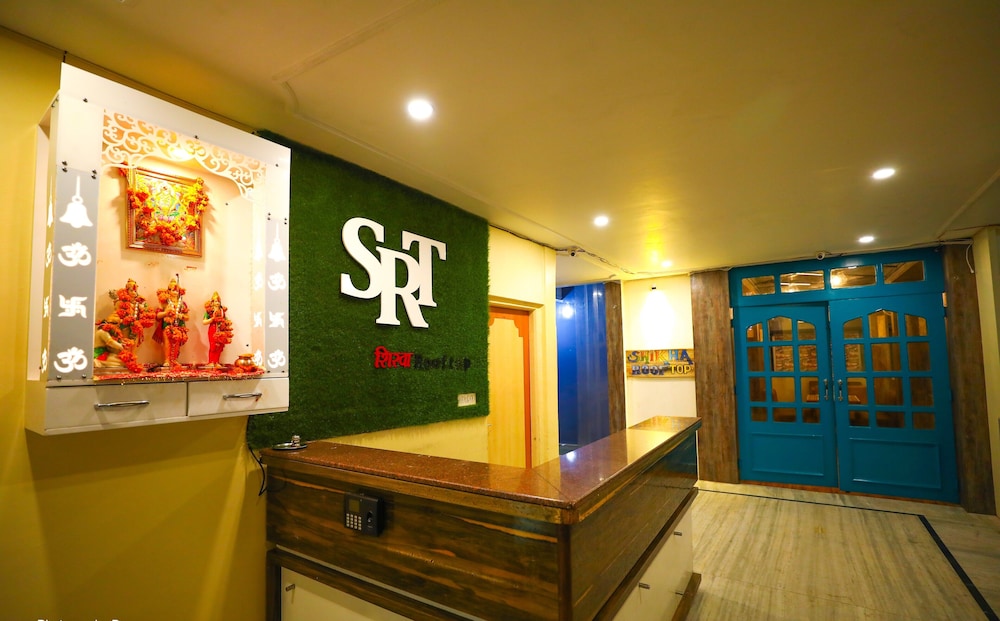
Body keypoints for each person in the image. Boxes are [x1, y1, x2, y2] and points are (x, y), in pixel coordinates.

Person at [153, 277, 189, 368]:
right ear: (168, 291)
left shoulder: (182, 304)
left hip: (178, 326)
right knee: (167, 343)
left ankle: (174, 360)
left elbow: (187, 317)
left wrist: (181, 316)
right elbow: (157, 316)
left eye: (177, 290)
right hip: (167, 325)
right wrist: (166, 313)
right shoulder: (164, 302)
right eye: (173, 290)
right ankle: (167, 360)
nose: (175, 292)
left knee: (176, 344)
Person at [202, 291, 233, 367]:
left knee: (219, 346)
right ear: (212, 302)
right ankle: (211, 362)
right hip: (213, 329)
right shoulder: (209, 311)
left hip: (221, 330)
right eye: (215, 301)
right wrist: (212, 319)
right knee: (213, 346)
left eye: (218, 301)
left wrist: (227, 323)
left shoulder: (222, 311)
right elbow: (204, 322)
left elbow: (225, 319)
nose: (217, 303)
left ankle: (216, 361)